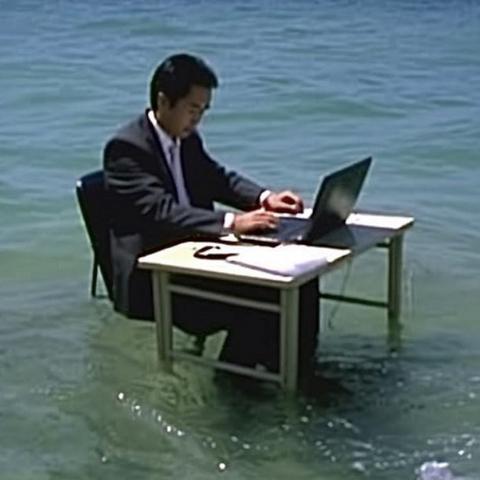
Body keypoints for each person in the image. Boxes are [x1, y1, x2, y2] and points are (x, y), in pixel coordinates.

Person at [103, 53, 318, 378]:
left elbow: (217, 178)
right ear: (164, 101)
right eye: (192, 109)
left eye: (203, 111)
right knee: (261, 295)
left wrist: (264, 198)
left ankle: (295, 369)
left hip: (198, 254)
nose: (197, 120)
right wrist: (232, 223)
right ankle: (234, 384)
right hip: (153, 276)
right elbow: (161, 211)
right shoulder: (126, 149)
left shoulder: (186, 138)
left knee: (303, 280)